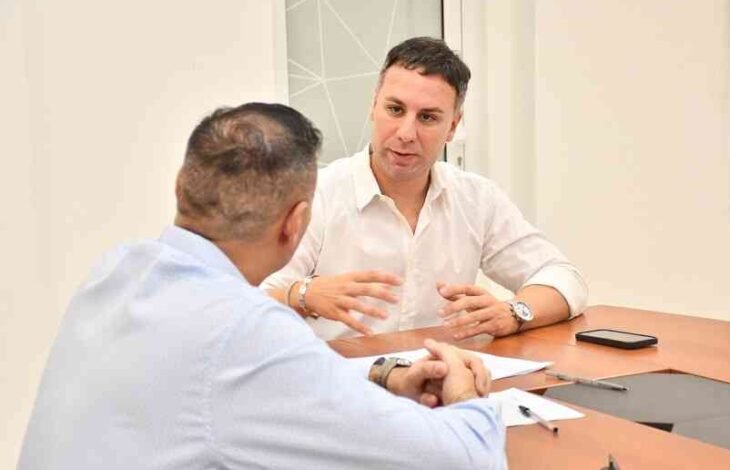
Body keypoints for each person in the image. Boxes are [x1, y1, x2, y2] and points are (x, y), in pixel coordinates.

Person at [18, 103, 505, 469]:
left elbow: (250, 377)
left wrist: (384, 376)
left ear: (180, 186)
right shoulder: (241, 328)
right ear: (295, 223)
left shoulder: (119, 269)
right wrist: (467, 397)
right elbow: (465, 457)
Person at [263, 37, 588, 341]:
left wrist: (514, 312)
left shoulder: (476, 199)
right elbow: (251, 298)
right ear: (373, 106)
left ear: (453, 126)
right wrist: (304, 295)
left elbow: (563, 277)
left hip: (444, 374)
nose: (406, 133)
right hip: (341, 376)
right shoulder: (317, 194)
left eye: (428, 118)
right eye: (395, 110)